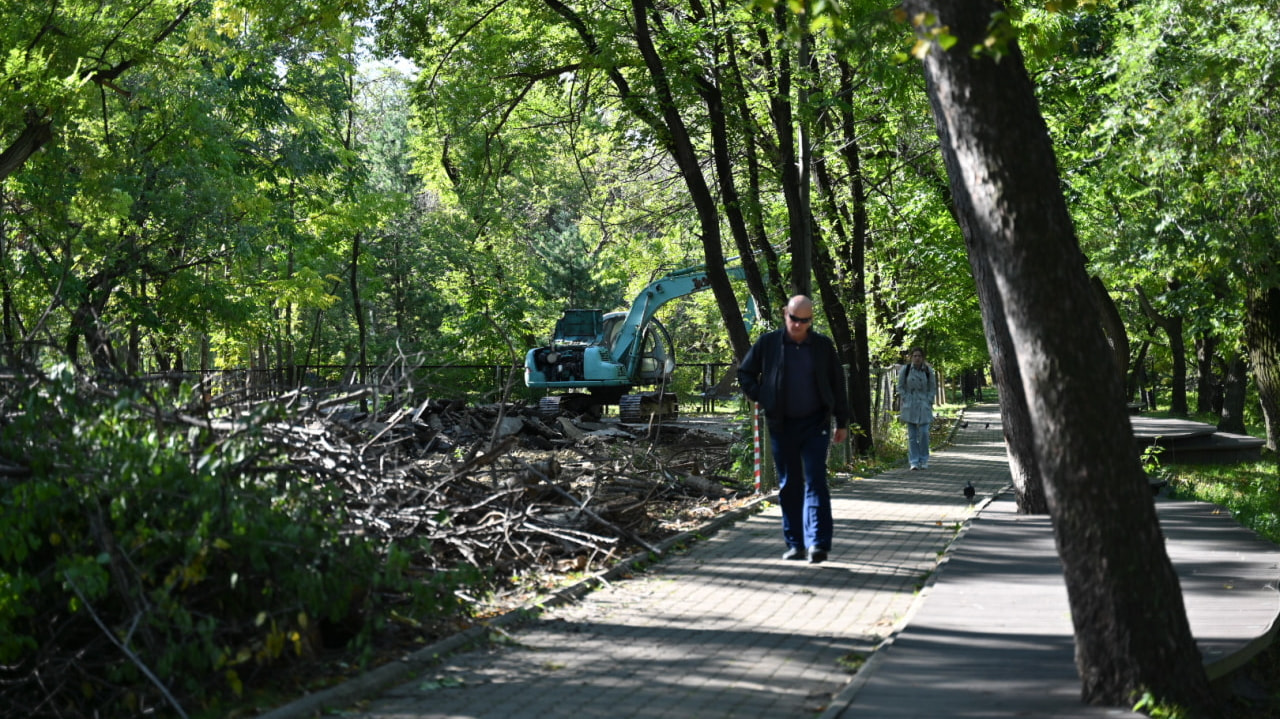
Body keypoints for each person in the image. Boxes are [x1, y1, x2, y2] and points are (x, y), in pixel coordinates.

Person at [737, 295, 851, 564]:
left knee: (816, 481)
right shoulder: (769, 343)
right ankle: (795, 544)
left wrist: (842, 421)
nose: (798, 325)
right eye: (793, 319)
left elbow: (837, 384)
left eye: (804, 320)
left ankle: (818, 545)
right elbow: (745, 373)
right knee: (790, 485)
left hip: (815, 424)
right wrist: (763, 396)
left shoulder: (822, 346)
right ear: (784, 314)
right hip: (782, 424)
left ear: (811, 320)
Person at [898, 347, 936, 470]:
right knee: (912, 436)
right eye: (915, 356)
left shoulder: (928, 371)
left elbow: (932, 387)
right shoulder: (906, 369)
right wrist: (906, 397)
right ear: (911, 357)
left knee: (924, 433)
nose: (917, 358)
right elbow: (900, 386)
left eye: (919, 356)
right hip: (910, 405)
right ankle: (914, 461)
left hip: (924, 405)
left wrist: (929, 400)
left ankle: (924, 459)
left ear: (923, 357)